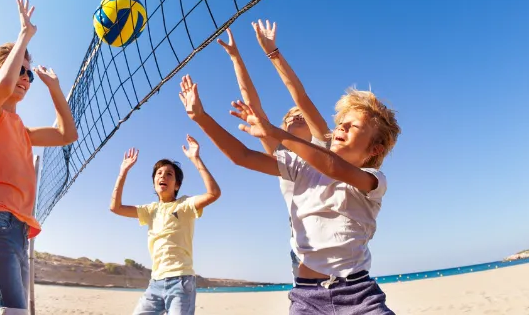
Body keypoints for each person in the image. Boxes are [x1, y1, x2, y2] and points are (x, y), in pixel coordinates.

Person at [179, 75, 400, 314]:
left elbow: (332, 166)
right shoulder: (300, 167)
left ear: (375, 149)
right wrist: (200, 116)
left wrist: (274, 131)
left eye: (354, 125)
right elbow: (242, 156)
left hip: (359, 294)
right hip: (308, 296)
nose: (342, 127)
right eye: (341, 123)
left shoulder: (374, 180)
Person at [0, 0, 78, 314]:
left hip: (18, 231)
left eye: (29, 74)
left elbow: (67, 135)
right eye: (20, 70)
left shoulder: (24, 131)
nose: (26, 79)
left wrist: (55, 89)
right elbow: (2, 89)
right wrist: (24, 35)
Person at [216, 22, 331, 278]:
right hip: (303, 248)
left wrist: (272, 51)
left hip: (340, 243)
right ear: (282, 128)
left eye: (299, 114)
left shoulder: (325, 144)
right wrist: (236, 58)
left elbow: (300, 96)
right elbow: (253, 108)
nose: (294, 115)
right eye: (289, 116)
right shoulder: (283, 158)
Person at [109, 135, 221, 315]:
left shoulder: (184, 205)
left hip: (181, 282)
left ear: (176, 185)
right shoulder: (149, 210)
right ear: (154, 183)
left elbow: (214, 193)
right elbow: (115, 207)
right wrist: (123, 172)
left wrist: (196, 159)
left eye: (169, 174)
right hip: (155, 283)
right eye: (159, 173)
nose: (163, 176)